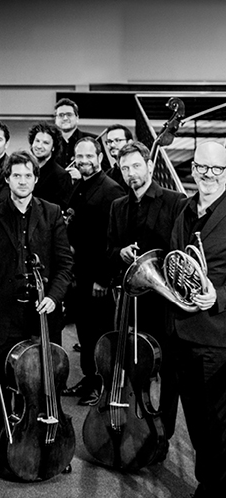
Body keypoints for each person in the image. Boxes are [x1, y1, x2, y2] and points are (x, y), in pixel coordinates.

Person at [0, 151, 73, 477]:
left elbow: (64, 265)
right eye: (16, 175)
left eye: (28, 175)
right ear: (7, 179)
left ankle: (51, 446)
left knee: (45, 384)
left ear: (36, 178)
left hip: (42, 314)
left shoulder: (52, 213)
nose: (23, 181)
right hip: (3, 315)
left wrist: (54, 297)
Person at [159, 142, 226, 498]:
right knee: (198, 426)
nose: (208, 174)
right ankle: (205, 490)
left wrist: (219, 295)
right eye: (202, 166)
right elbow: (175, 260)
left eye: (217, 169)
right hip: (181, 333)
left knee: (217, 428)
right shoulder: (185, 208)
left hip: (215, 338)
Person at [105, 141, 187, 439]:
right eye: (125, 168)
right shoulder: (118, 206)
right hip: (131, 302)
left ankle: (163, 433)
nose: (131, 174)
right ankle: (136, 425)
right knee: (132, 366)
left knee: (168, 371)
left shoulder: (175, 201)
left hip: (164, 302)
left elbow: (180, 252)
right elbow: (109, 249)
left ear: (150, 166)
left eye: (136, 166)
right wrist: (121, 252)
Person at [62, 135, 124, 405]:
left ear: (100, 157)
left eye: (90, 155)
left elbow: (113, 239)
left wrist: (103, 278)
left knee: (99, 334)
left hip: (98, 278)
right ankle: (89, 379)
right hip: (80, 274)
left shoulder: (111, 190)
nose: (84, 160)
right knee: (85, 333)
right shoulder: (80, 185)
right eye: (80, 156)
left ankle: (101, 387)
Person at [28, 122, 73, 208]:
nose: (39, 146)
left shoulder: (61, 176)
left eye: (45, 143)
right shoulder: (25, 169)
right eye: (37, 141)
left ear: (53, 147)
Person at [53, 98, 93, 176]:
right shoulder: (50, 142)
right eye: (61, 115)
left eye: (69, 114)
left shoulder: (92, 140)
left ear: (77, 117)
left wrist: (83, 177)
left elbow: (104, 172)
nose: (65, 118)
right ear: (56, 119)